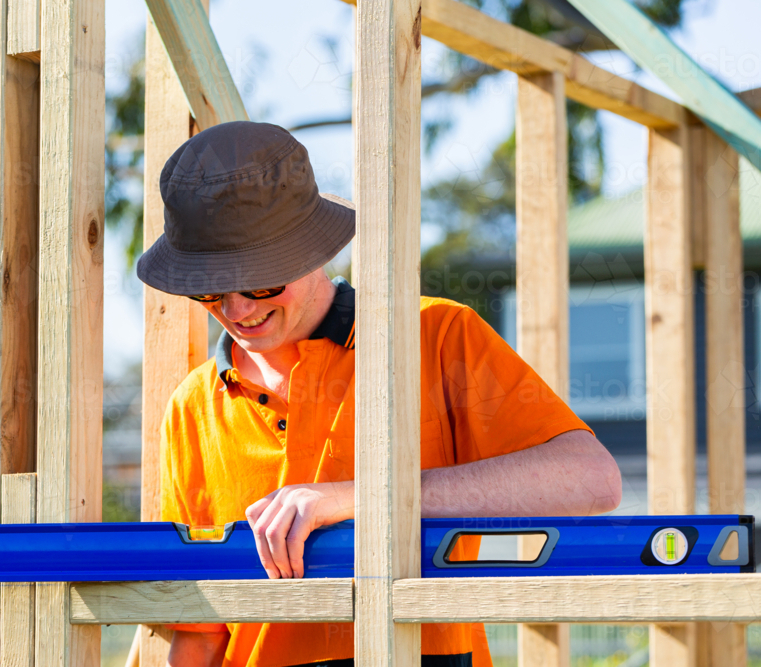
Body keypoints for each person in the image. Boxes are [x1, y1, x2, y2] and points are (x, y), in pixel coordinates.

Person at [136, 121, 622, 667]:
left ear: (312, 250)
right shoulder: (191, 409)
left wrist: (362, 499)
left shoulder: (433, 337)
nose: (238, 311)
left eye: (260, 283)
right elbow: (201, 632)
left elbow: (591, 480)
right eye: (208, 290)